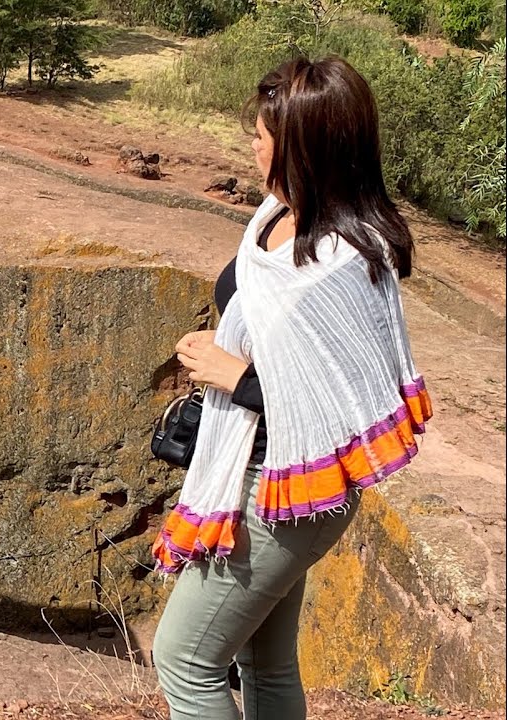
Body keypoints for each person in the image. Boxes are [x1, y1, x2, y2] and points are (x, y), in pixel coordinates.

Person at [149, 55, 434, 720]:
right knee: (264, 661)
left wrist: (234, 375)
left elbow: (345, 411)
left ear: (304, 147)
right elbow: (265, 318)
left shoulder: (342, 261)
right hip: (258, 470)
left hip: (283, 491)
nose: (250, 144)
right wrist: (223, 355)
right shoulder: (276, 216)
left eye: (261, 135)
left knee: (184, 661)